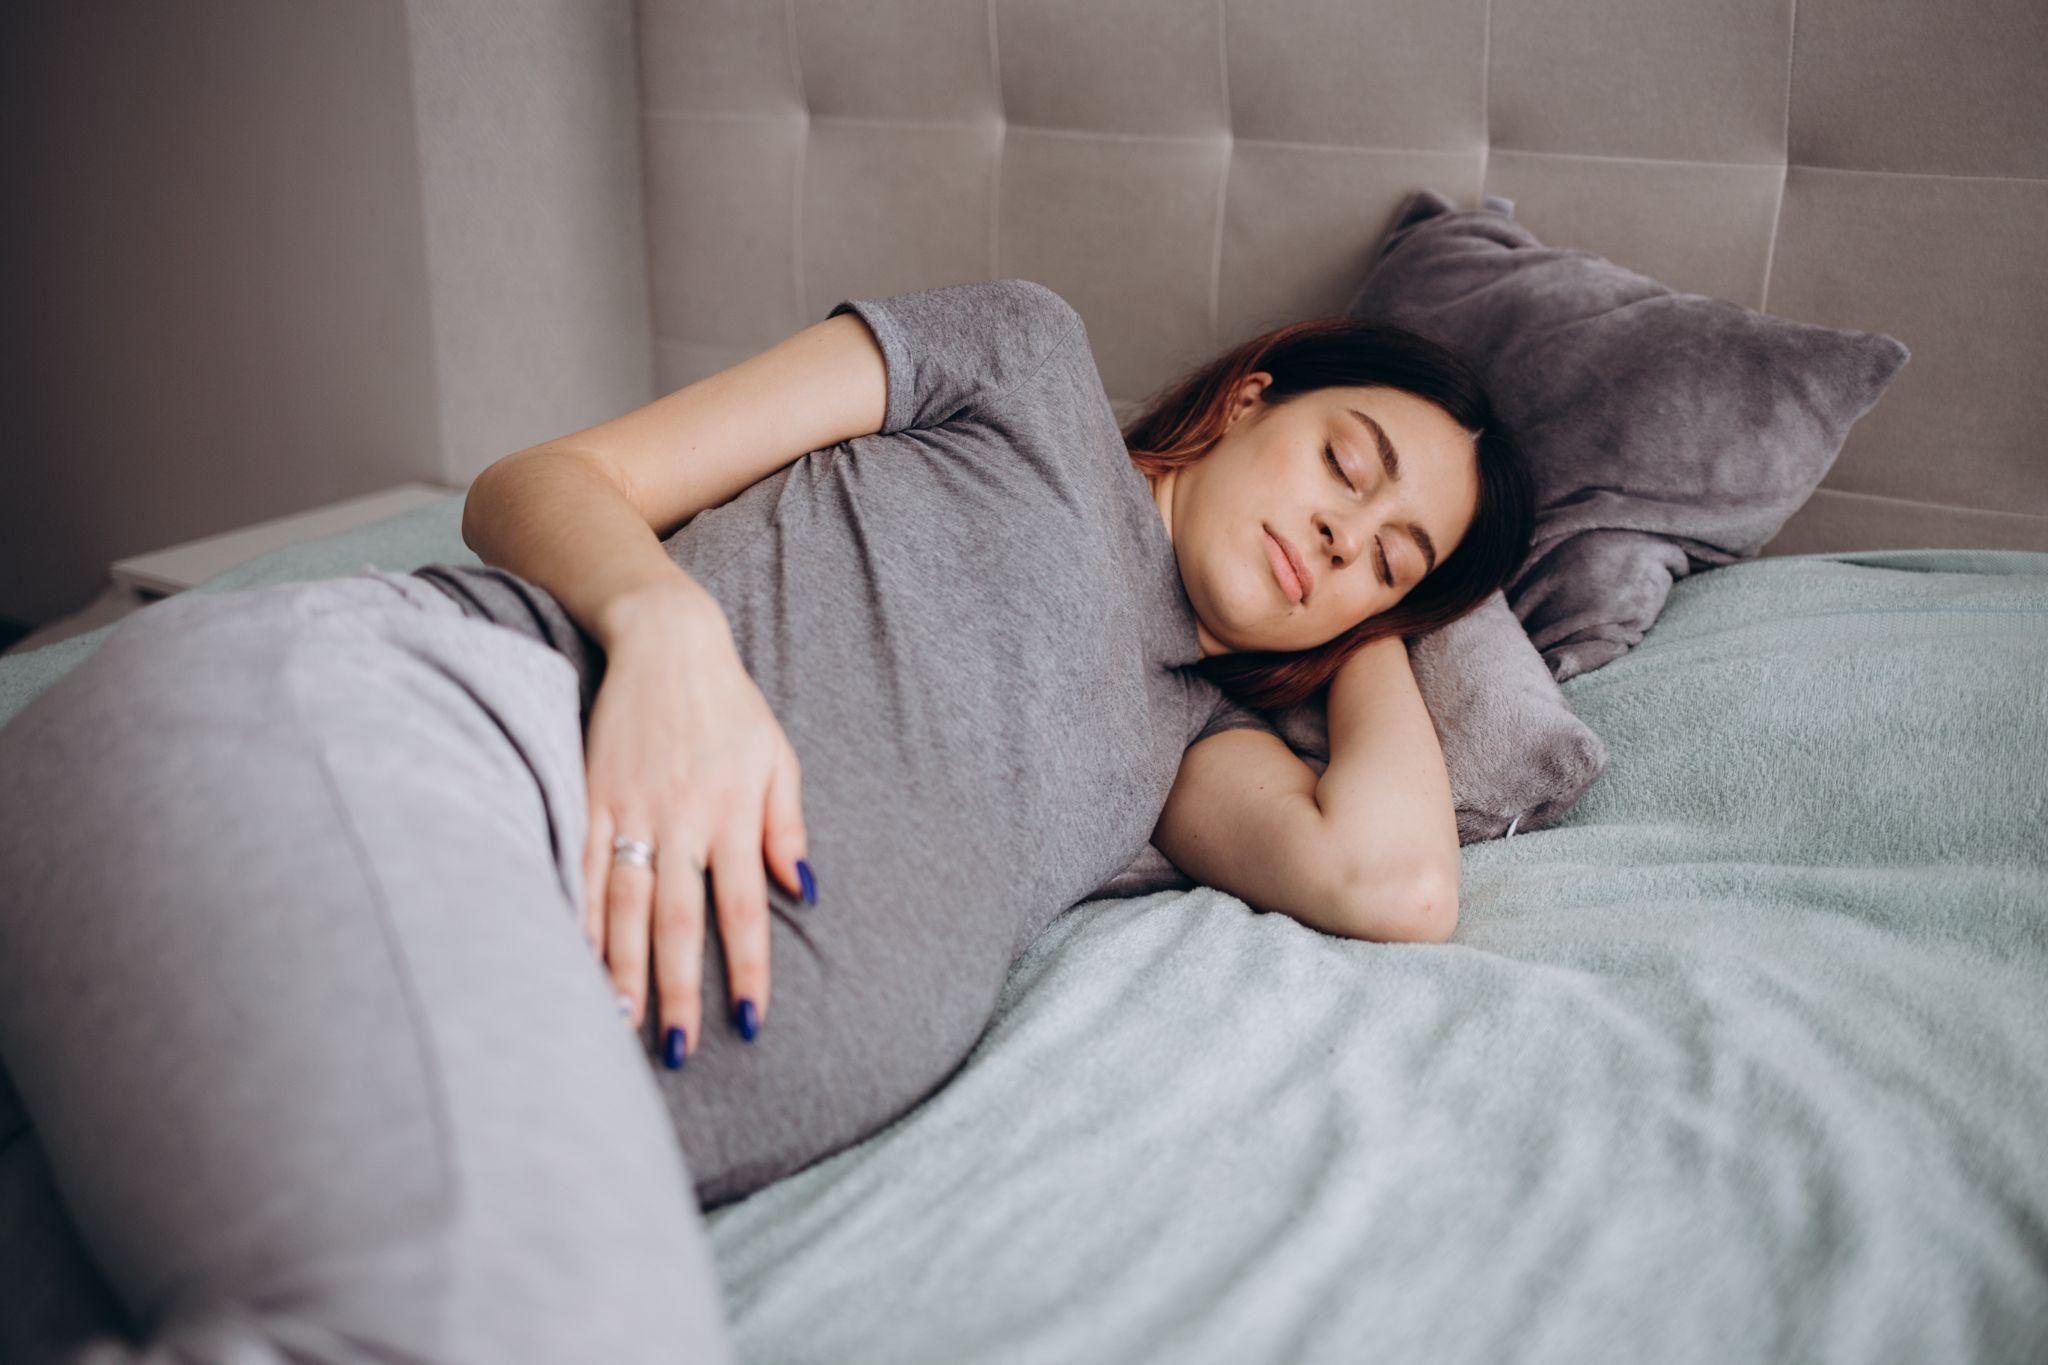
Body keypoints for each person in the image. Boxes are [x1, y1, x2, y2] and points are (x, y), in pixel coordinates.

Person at [0, 279, 1532, 1362]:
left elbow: (1390, 880)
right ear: (1252, 395)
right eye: (1347, 461)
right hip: (430, 732)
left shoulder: (1187, 745)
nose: (1345, 532)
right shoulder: (1025, 364)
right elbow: (549, 480)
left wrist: (1368, 612)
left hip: (461, 1035)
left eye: (1392, 556)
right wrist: (669, 636)